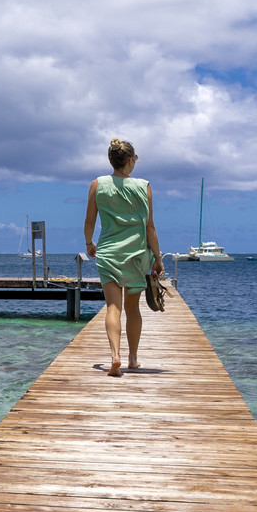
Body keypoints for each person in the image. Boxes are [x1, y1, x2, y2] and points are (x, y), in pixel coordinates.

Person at [83, 138, 162, 376]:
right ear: (130, 161)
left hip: (107, 253)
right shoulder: (143, 186)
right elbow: (150, 227)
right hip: (136, 254)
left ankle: (114, 356)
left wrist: (89, 243)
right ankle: (133, 358)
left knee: (113, 308)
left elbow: (89, 222)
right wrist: (158, 257)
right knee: (133, 309)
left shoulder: (97, 184)